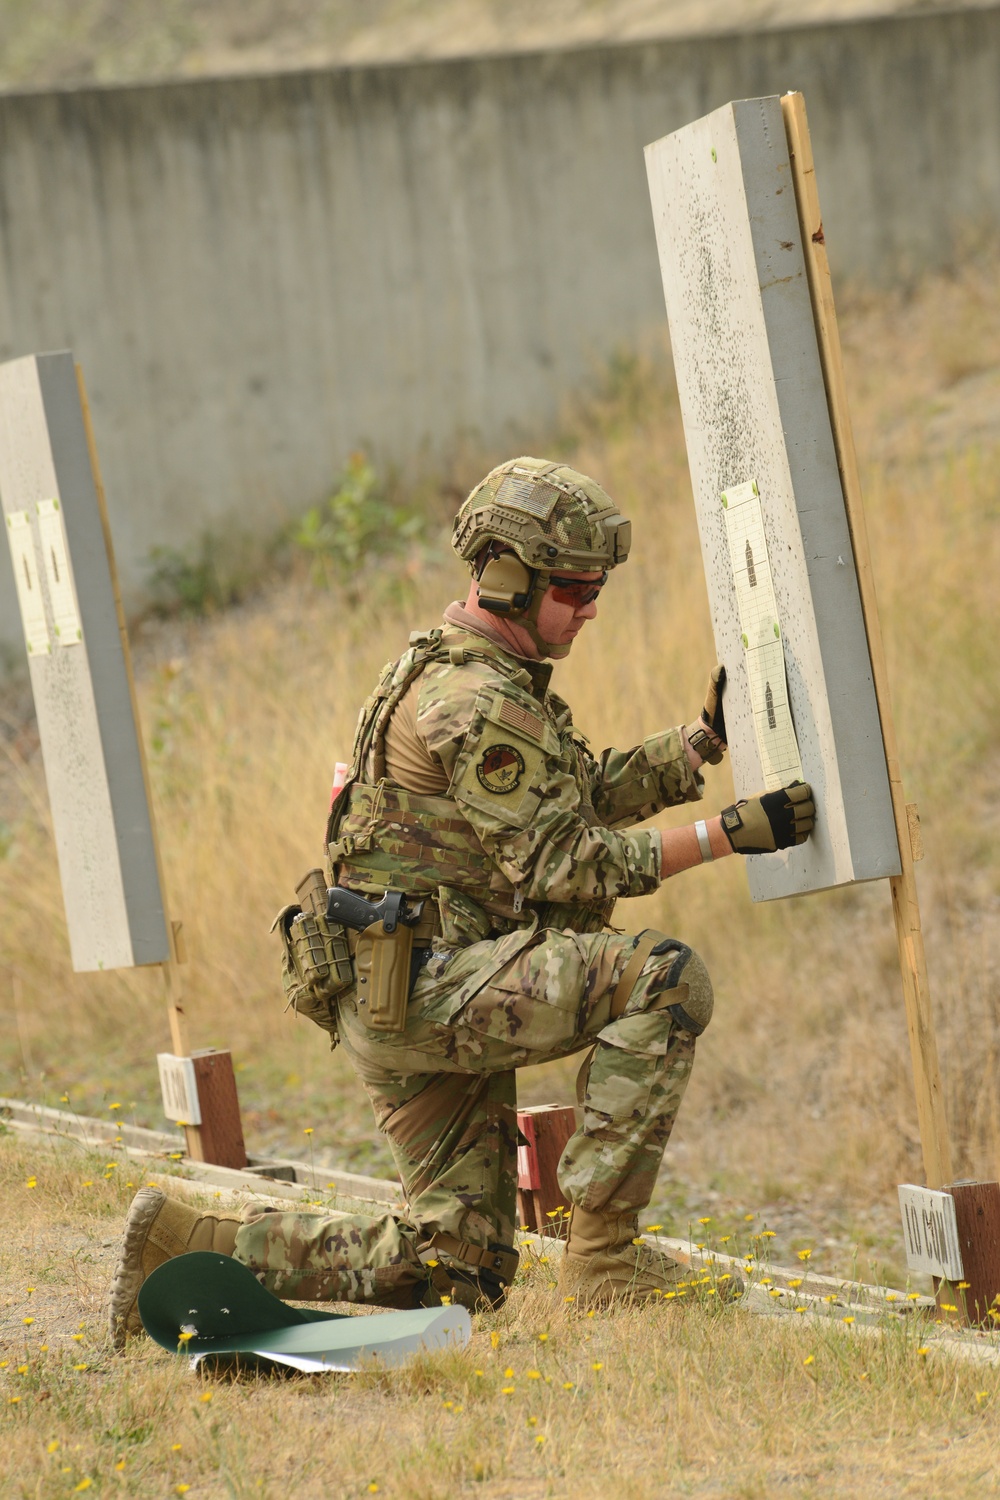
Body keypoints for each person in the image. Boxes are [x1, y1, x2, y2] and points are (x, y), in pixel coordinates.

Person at [110, 456, 814, 1346]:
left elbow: (575, 793)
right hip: (435, 986)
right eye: (576, 587)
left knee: (457, 1267)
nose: (591, 607)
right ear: (510, 578)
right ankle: (605, 1262)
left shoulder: (473, 669)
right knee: (664, 979)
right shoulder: (473, 696)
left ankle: (185, 1244)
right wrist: (722, 835)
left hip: (404, 989)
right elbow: (563, 862)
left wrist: (699, 743)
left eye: (596, 586)